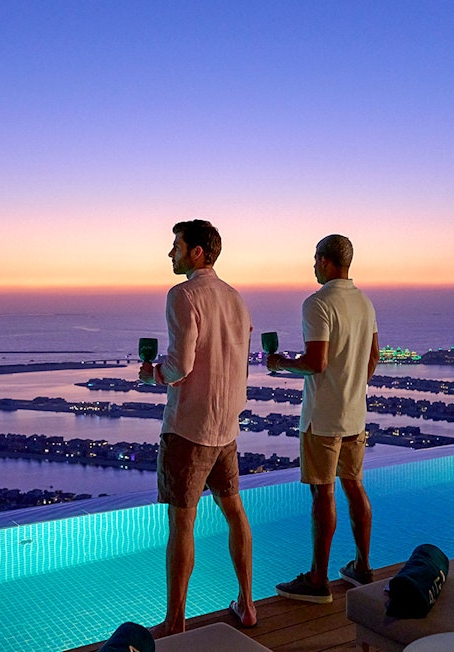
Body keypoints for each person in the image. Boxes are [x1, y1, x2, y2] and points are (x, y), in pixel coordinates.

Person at [139, 219, 258, 636]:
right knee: (234, 511)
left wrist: (154, 373)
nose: (169, 252)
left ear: (197, 253)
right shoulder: (236, 298)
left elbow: (181, 365)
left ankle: (174, 623)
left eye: (176, 245)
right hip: (226, 426)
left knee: (182, 524)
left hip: (190, 428)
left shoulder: (183, 295)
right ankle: (246, 604)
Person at [267, 234, 379, 604]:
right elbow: (373, 357)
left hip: (323, 418)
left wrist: (281, 363)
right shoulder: (364, 302)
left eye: (315, 259)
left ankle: (318, 580)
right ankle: (362, 567)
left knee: (323, 492)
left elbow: (316, 363)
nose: (312, 265)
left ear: (327, 262)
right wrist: (353, 386)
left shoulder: (317, 304)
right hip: (355, 414)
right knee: (354, 485)